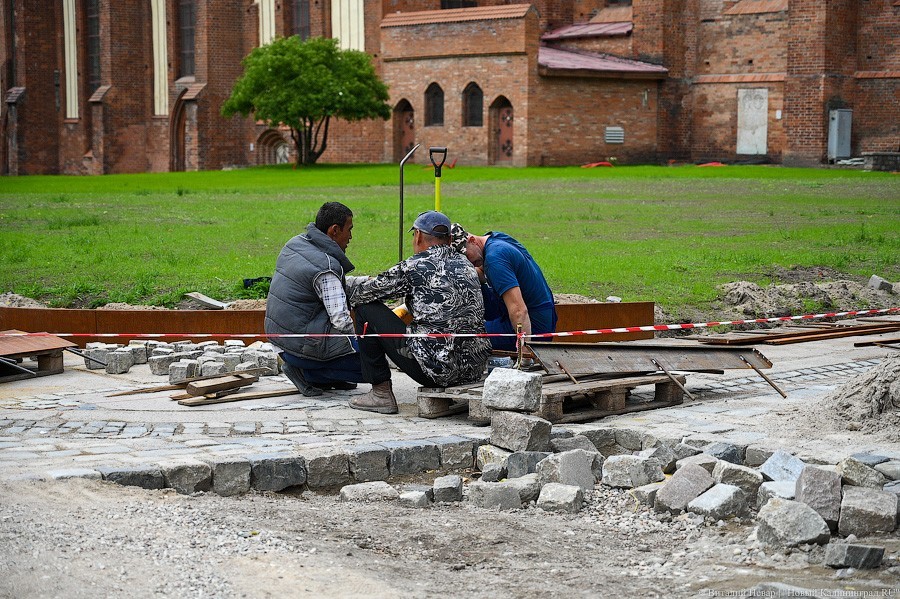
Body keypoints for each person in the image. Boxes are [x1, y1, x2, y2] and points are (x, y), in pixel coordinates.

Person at [347, 211, 492, 414]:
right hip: (474, 369)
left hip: (436, 370)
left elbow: (362, 294)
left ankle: (380, 393)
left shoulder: (414, 266)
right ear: (450, 239)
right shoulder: (467, 265)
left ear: (418, 236)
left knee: (365, 308)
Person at [264, 202, 365, 396]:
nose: (351, 237)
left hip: (280, 340)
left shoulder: (296, 243)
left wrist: (365, 282)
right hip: (301, 348)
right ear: (334, 230)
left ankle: (324, 375)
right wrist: (359, 346)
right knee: (372, 364)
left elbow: (325, 286)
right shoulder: (326, 267)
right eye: (349, 230)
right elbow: (342, 321)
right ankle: (308, 373)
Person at [451, 224, 557, 352]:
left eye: (466, 256)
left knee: (461, 338)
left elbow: (519, 311)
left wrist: (525, 355)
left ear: (472, 240)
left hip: (534, 328)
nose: (467, 262)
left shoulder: (495, 259)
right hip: (545, 317)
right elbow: (482, 273)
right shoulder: (496, 240)